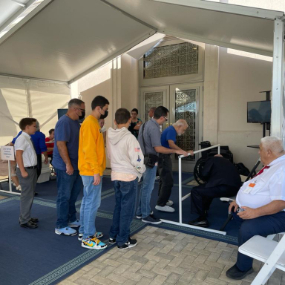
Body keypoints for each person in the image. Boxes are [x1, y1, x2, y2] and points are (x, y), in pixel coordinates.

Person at [226, 136, 285, 280]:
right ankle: (250, 242)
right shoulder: (273, 165)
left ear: (269, 152)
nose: (259, 152)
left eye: (260, 149)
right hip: (268, 209)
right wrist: (238, 200)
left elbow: (281, 203)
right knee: (236, 214)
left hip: (280, 214)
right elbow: (257, 185)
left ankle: (243, 267)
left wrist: (255, 212)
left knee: (249, 229)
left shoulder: (282, 170)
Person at [136, 106, 188, 224]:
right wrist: (175, 151)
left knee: (145, 187)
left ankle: (140, 212)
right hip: (151, 160)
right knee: (148, 188)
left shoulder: (144, 124)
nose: (166, 120)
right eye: (166, 118)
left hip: (143, 159)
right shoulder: (154, 127)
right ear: (162, 117)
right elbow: (158, 148)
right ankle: (145, 214)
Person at [108, 108, 146, 249]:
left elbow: (110, 156)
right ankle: (123, 240)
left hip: (115, 175)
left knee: (119, 206)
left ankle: (114, 235)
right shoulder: (130, 137)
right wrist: (141, 171)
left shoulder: (110, 136)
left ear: (115, 121)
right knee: (127, 209)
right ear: (130, 120)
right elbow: (137, 160)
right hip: (129, 176)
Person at [78, 96, 109, 249]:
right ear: (99, 108)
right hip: (91, 171)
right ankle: (87, 237)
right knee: (92, 202)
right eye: (105, 109)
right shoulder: (90, 123)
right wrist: (96, 171)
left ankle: (85, 230)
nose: (106, 112)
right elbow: (89, 150)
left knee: (87, 200)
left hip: (89, 170)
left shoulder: (92, 123)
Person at [53, 98, 85, 236]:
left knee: (73, 195)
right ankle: (60, 225)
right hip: (65, 166)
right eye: (82, 110)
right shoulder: (63, 122)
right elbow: (61, 145)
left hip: (76, 165)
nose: (82, 113)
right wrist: (68, 164)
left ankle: (71, 219)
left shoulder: (75, 122)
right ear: (75, 109)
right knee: (64, 196)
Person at [189, 154, 241, 227]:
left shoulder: (212, 159)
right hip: (236, 189)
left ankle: (202, 219)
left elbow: (204, 174)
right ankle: (204, 210)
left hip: (224, 187)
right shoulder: (228, 162)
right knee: (208, 189)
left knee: (196, 191)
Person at [156, 119, 194, 213]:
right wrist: (182, 151)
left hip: (163, 156)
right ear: (179, 126)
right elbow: (171, 144)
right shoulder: (171, 130)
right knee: (168, 180)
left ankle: (163, 200)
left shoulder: (170, 130)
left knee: (164, 179)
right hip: (163, 157)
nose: (183, 132)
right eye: (184, 129)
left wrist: (182, 151)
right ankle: (161, 204)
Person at [15, 118, 38, 229]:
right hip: (26, 170)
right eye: (34, 126)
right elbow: (18, 154)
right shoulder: (22, 138)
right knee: (26, 196)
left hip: (31, 169)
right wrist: (23, 171)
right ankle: (24, 220)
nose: (36, 128)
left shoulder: (26, 138)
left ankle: (26, 216)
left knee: (29, 194)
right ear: (27, 126)